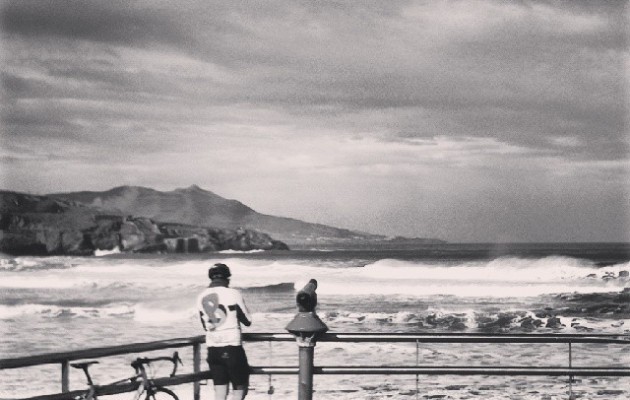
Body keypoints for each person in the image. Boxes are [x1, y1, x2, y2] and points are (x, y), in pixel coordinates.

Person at [197, 263, 252, 400]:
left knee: (220, 394)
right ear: (227, 278)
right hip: (232, 348)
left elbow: (205, 325)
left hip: (213, 350)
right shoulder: (234, 294)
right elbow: (247, 321)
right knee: (240, 388)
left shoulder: (201, 297)